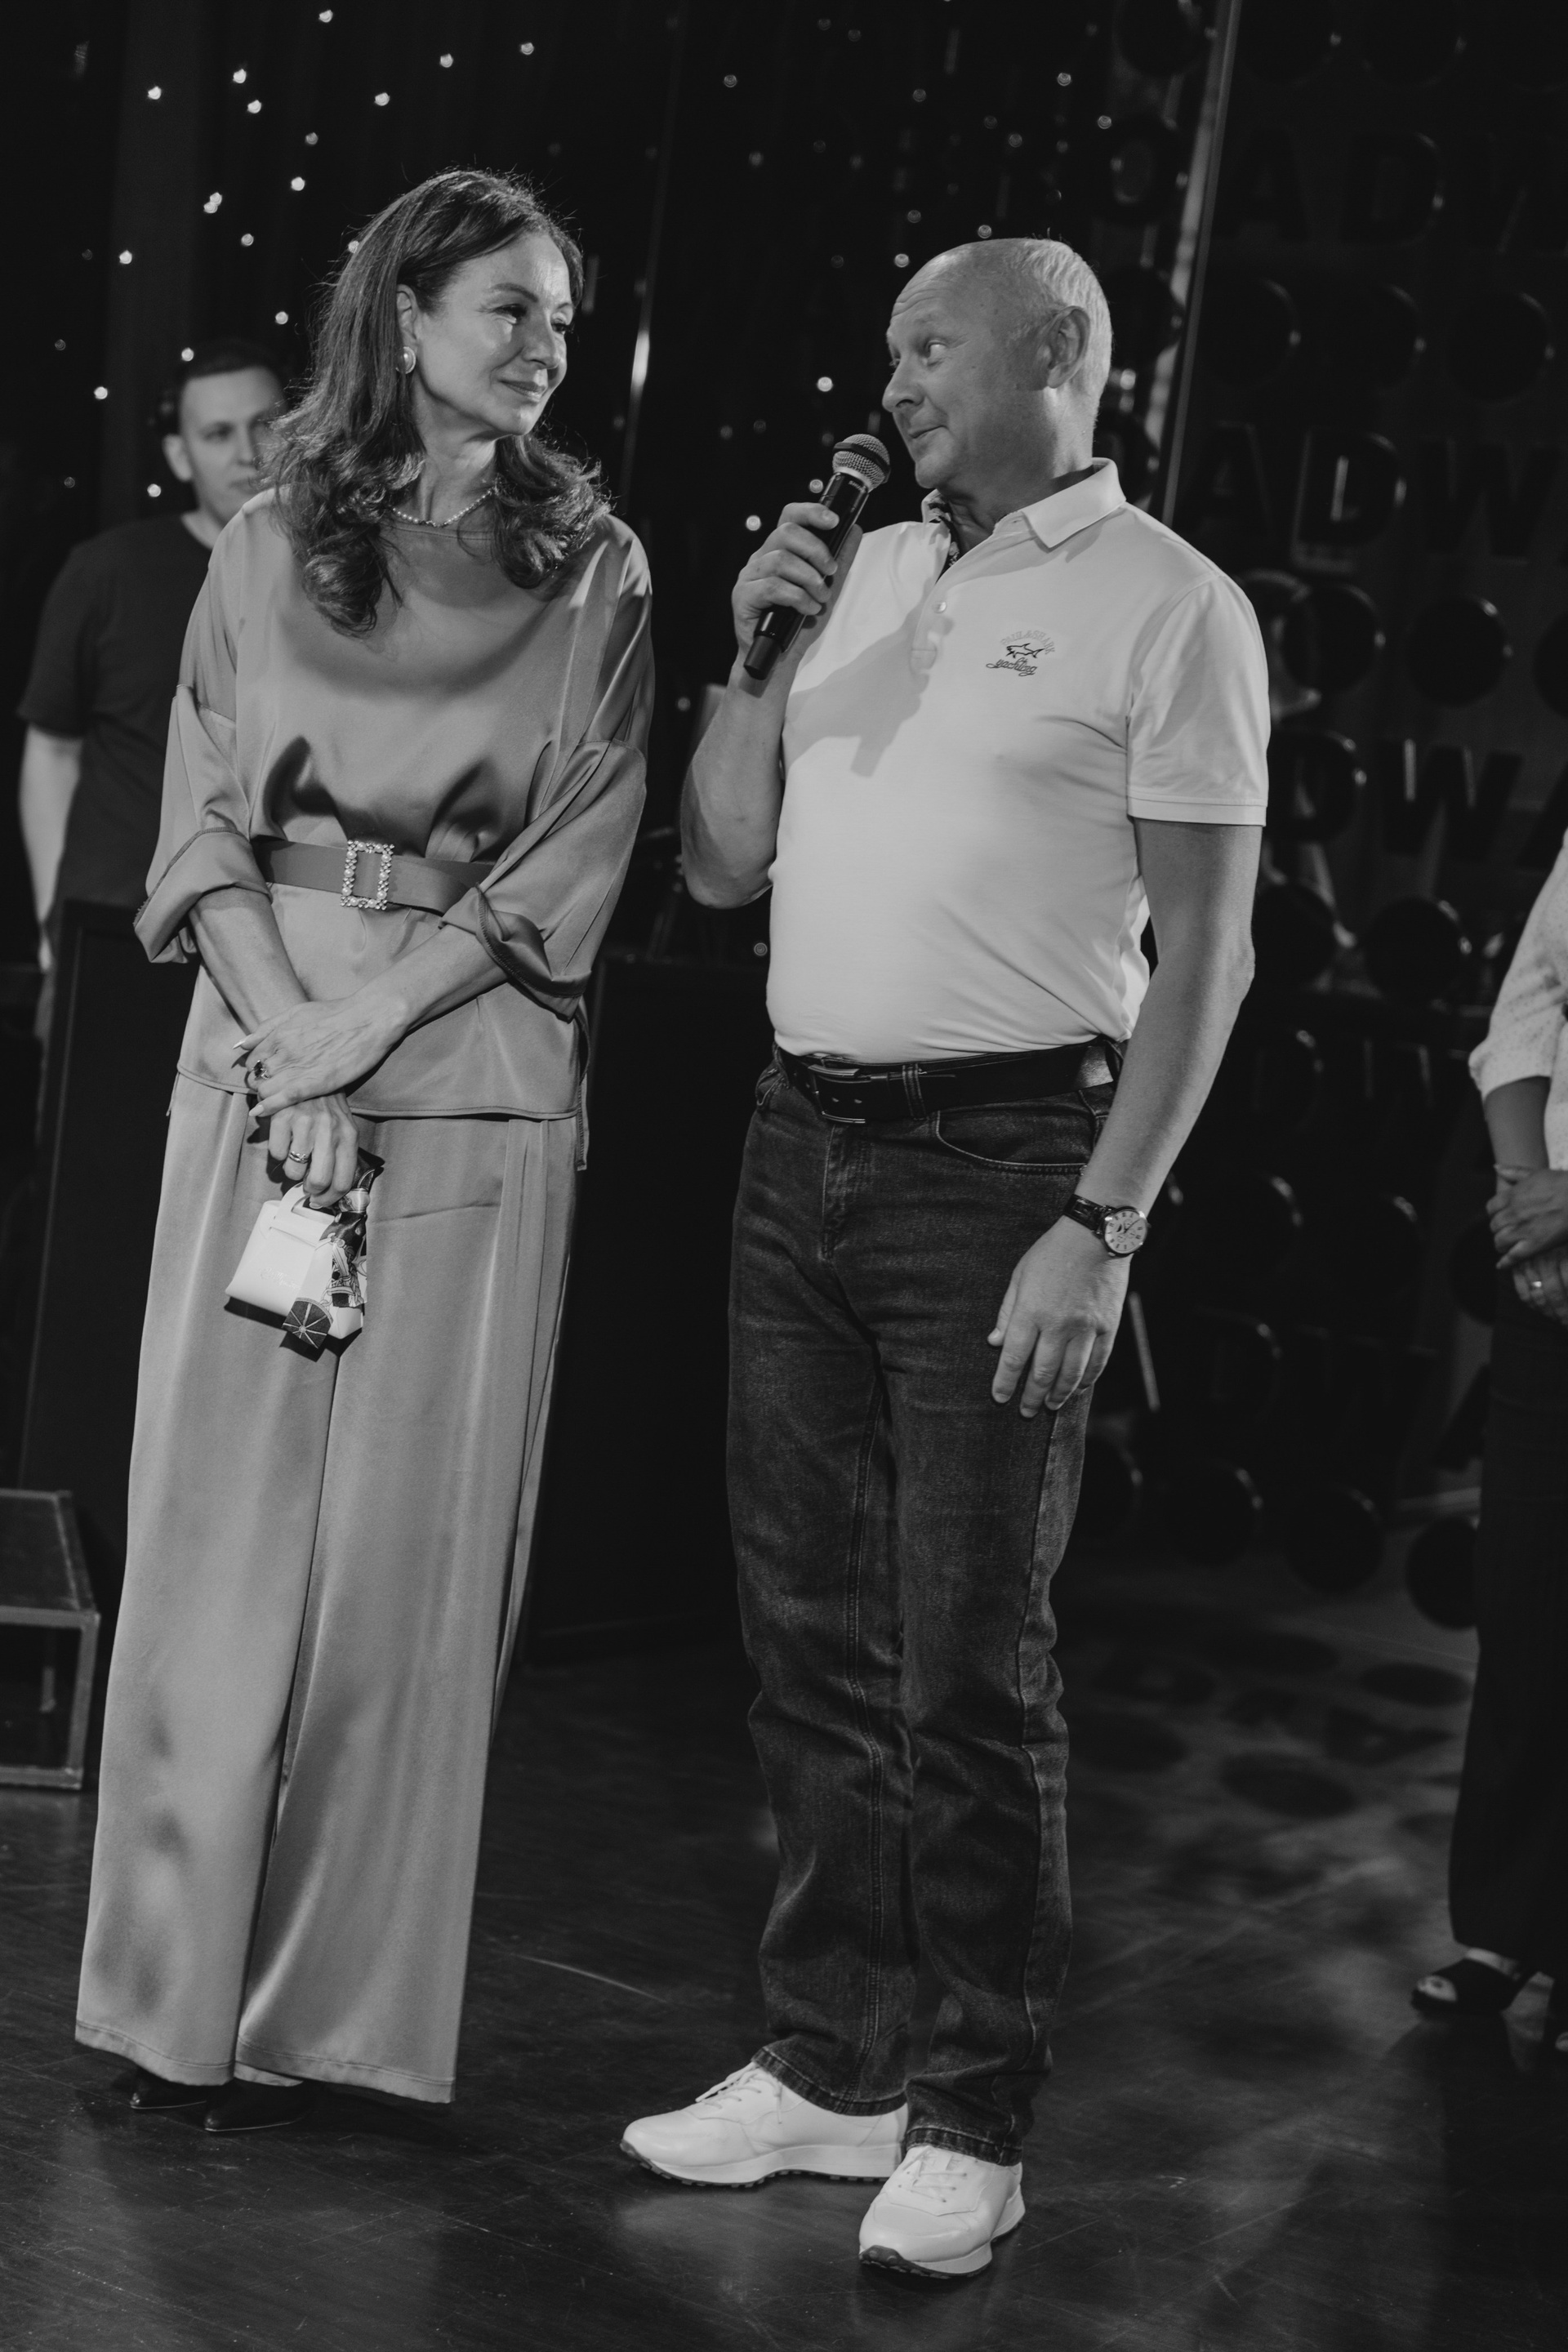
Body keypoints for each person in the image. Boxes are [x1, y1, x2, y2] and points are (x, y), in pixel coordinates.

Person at [621, 238, 1268, 2278]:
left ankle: (971, 2116)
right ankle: (833, 2062)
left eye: (930, 346)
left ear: (1058, 352)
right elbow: (720, 863)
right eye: (890, 348)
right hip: (794, 1140)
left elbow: (1209, 956)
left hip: (1005, 1166)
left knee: (969, 1665)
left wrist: (1104, 1222)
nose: (893, 382)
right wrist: (757, 658)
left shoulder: (1170, 604)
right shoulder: (865, 572)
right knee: (810, 1640)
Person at [75, 169, 652, 2131]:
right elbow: (199, 823)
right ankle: (171, 2002)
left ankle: (335, 2026)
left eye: (561, 315)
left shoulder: (598, 566)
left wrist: (364, 1023)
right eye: (509, 306)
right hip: (264, 1052)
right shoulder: (262, 542)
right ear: (405, 315)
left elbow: (580, 846)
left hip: (470, 1059)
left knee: (409, 1566)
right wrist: (288, 1037)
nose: (544, 343)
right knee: (217, 1547)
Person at [1413, 843, 1568, 2056]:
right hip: (1552, 1259)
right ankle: (1505, 1928)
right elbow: (1530, 1004)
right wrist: (1530, 1200)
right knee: (1526, 1598)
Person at [17, 342, 283, 974]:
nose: (247, 452)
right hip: (117, 926)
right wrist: (53, 919)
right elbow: (52, 750)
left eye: (265, 424)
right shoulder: (107, 572)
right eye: (217, 433)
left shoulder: (335, 578)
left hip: (279, 933)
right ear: (179, 455)